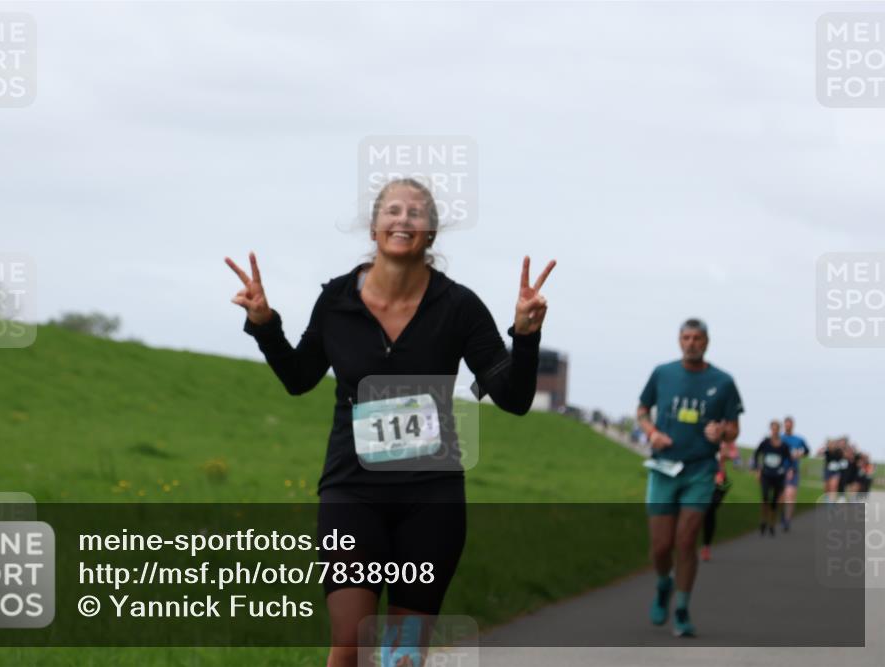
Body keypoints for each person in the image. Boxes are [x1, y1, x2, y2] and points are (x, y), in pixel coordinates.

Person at [227, 177, 556, 667]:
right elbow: (299, 378)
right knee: (350, 645)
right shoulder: (337, 301)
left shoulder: (459, 307)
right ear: (375, 226)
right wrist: (264, 325)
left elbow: (512, 398)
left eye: (417, 213)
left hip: (431, 498)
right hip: (351, 490)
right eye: (394, 210)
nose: (404, 219)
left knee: (402, 656)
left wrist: (526, 338)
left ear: (430, 234)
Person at [637, 318, 743, 638]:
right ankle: (663, 585)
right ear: (679, 341)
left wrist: (722, 431)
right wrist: (652, 432)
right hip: (664, 467)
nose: (691, 343)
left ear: (707, 342)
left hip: (700, 470)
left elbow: (734, 428)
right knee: (660, 546)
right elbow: (642, 411)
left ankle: (682, 609)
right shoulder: (662, 373)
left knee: (685, 541)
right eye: (686, 337)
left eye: (697, 338)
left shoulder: (723, 382)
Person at [753, 420, 793, 535]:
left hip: (778, 476)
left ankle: (772, 524)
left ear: (779, 430)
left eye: (776, 429)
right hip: (766, 474)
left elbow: (789, 460)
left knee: (774, 502)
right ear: (770, 429)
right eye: (772, 429)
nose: (774, 431)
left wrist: (790, 470)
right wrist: (758, 469)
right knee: (765, 498)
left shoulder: (784, 446)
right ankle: (763, 521)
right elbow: (756, 454)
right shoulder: (765, 443)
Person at [700, 440, 736, 562]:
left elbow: (734, 454)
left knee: (710, 510)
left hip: (719, 477)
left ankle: (706, 546)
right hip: (701, 475)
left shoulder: (726, 437)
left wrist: (726, 454)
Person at [778, 416, 809, 531]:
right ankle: (782, 513)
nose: (788, 426)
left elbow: (807, 451)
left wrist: (800, 454)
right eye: (786, 424)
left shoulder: (798, 439)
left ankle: (787, 520)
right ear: (784, 425)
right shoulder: (779, 438)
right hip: (780, 471)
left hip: (793, 470)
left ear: (792, 425)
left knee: (790, 495)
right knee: (780, 497)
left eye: (790, 424)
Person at [817, 438, 845, 502]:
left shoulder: (838, 452)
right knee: (826, 487)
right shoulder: (826, 452)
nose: (832, 445)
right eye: (830, 444)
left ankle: (831, 503)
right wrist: (822, 447)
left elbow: (843, 459)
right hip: (827, 471)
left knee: (833, 487)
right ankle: (826, 499)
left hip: (836, 472)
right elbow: (818, 453)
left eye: (833, 444)